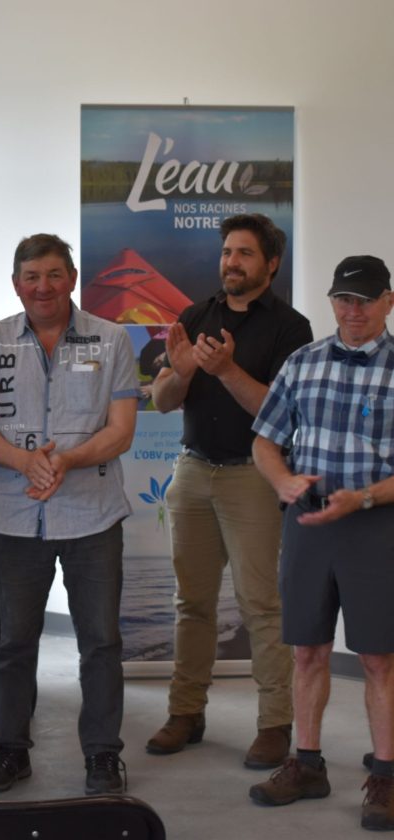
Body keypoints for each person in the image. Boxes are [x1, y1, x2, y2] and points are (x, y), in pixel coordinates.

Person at [0, 233, 139, 795]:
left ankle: (103, 756)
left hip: (93, 517)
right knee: (14, 641)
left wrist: (64, 460)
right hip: (16, 518)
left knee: (101, 642)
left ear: (73, 278)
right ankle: (10, 751)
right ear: (17, 283)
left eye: (54, 274)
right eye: (32, 276)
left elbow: (121, 430)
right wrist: (24, 462)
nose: (43, 286)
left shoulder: (112, 341)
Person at [146, 213, 312, 769]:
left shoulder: (292, 329)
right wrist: (184, 370)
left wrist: (225, 370)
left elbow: (280, 415)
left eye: (243, 253)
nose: (231, 262)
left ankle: (274, 725)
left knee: (262, 606)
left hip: (252, 477)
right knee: (191, 603)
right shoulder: (196, 315)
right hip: (192, 471)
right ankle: (185, 713)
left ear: (271, 263)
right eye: (226, 252)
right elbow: (164, 401)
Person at [248, 255, 394, 831]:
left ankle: (385, 775)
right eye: (342, 299)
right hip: (307, 523)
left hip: (375, 522)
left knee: (379, 657)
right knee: (306, 649)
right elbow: (265, 441)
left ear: (387, 301)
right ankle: (306, 764)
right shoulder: (301, 363)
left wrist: (364, 499)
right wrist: (283, 480)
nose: (351, 311)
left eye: (363, 300)